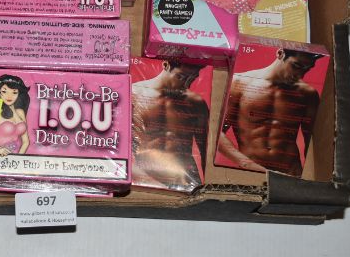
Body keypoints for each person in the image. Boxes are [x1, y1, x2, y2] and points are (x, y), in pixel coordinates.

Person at [217, 48, 323, 175]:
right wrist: (247, 164)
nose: (300, 75)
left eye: (306, 69)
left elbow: (312, 143)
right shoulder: (239, 83)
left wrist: (309, 177)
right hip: (252, 173)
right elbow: (218, 134)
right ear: (280, 54)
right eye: (296, 66)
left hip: (291, 173)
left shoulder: (308, 94)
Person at [132, 61, 209, 191]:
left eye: (192, 78)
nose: (186, 85)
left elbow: (204, 149)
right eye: (181, 77)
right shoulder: (134, 93)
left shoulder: (196, 102)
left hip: (185, 180)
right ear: (166, 65)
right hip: (146, 178)